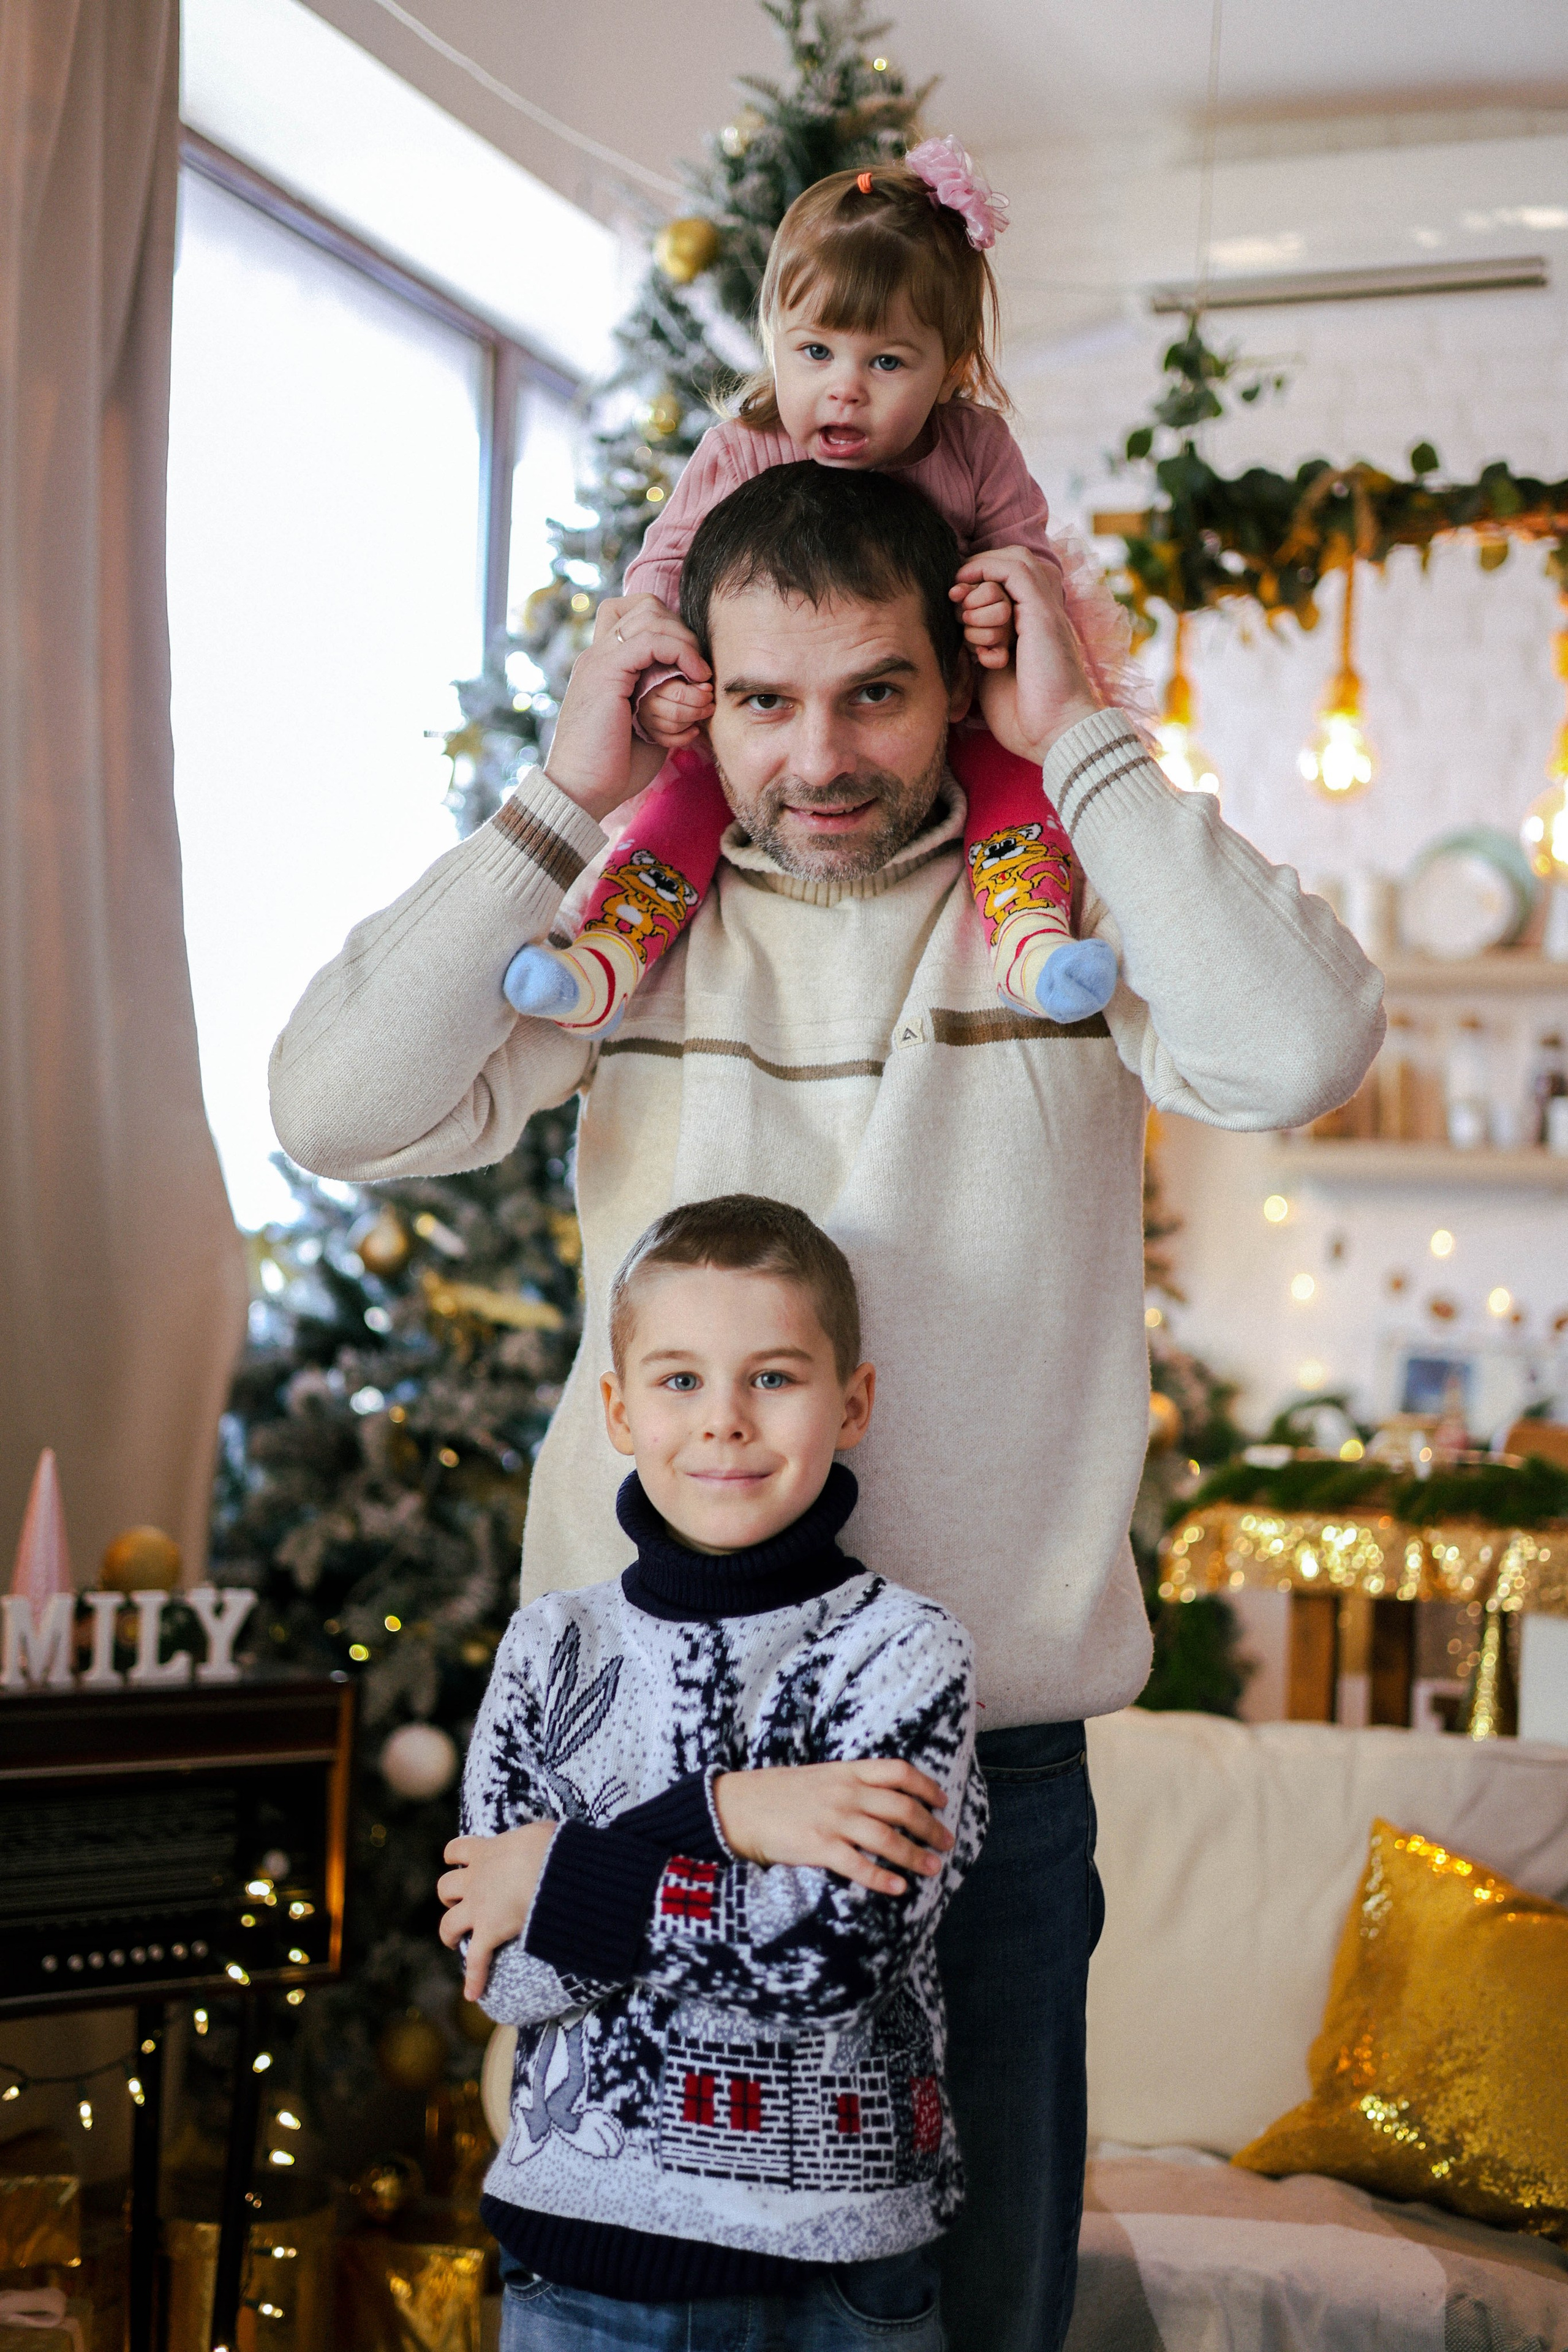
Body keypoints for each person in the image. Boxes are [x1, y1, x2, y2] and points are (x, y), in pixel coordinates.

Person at [271, 459, 1385, 2350]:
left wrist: (1091, 742)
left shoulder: (1070, 920)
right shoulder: (636, 924)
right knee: (625, 2309)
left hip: (984, 1782)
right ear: (702, 697)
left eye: (875, 689)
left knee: (975, 2328)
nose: (825, 752)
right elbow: (334, 1108)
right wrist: (567, 792)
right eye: (768, 701)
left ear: (959, 679)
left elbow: (1298, 1046)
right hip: (626, 1747)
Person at [437, 1193, 986, 2350]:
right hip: (578, 2277)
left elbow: (833, 1956)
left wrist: (558, 1873)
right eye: (681, 1380)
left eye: (773, 1378)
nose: (725, 1422)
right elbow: (509, 1976)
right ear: (619, 1410)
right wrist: (730, 1814)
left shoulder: (902, 1651)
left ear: (854, 1404)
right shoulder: (552, 1646)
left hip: (837, 2282)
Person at [501, 138, 1140, 1039]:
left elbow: (1024, 560)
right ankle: (610, 951)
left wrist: (1004, 605)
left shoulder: (975, 448)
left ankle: (1030, 935)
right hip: (767, 702)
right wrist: (659, 671)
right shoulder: (740, 451)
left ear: (950, 366)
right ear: (774, 343)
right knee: (687, 797)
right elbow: (661, 573)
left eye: (887, 363)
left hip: (947, 702)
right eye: (814, 352)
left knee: (1015, 777)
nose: (844, 390)